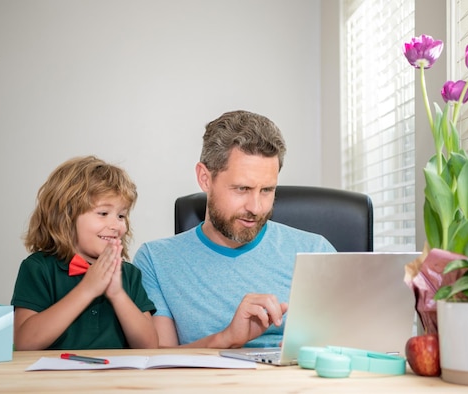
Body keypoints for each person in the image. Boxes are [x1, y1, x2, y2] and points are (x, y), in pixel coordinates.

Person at [133, 110, 336, 349]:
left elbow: (359, 342)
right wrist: (227, 338)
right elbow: (159, 363)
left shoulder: (316, 251)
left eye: (267, 190)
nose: (256, 207)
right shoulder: (156, 261)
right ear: (205, 178)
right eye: (242, 189)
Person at [11, 155, 158, 350]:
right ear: (66, 216)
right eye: (103, 213)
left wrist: (117, 294)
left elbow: (149, 347)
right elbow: (25, 343)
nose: (116, 226)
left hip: (117, 379)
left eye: (121, 216)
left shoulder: (129, 275)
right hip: (53, 379)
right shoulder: (38, 268)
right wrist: (87, 289)